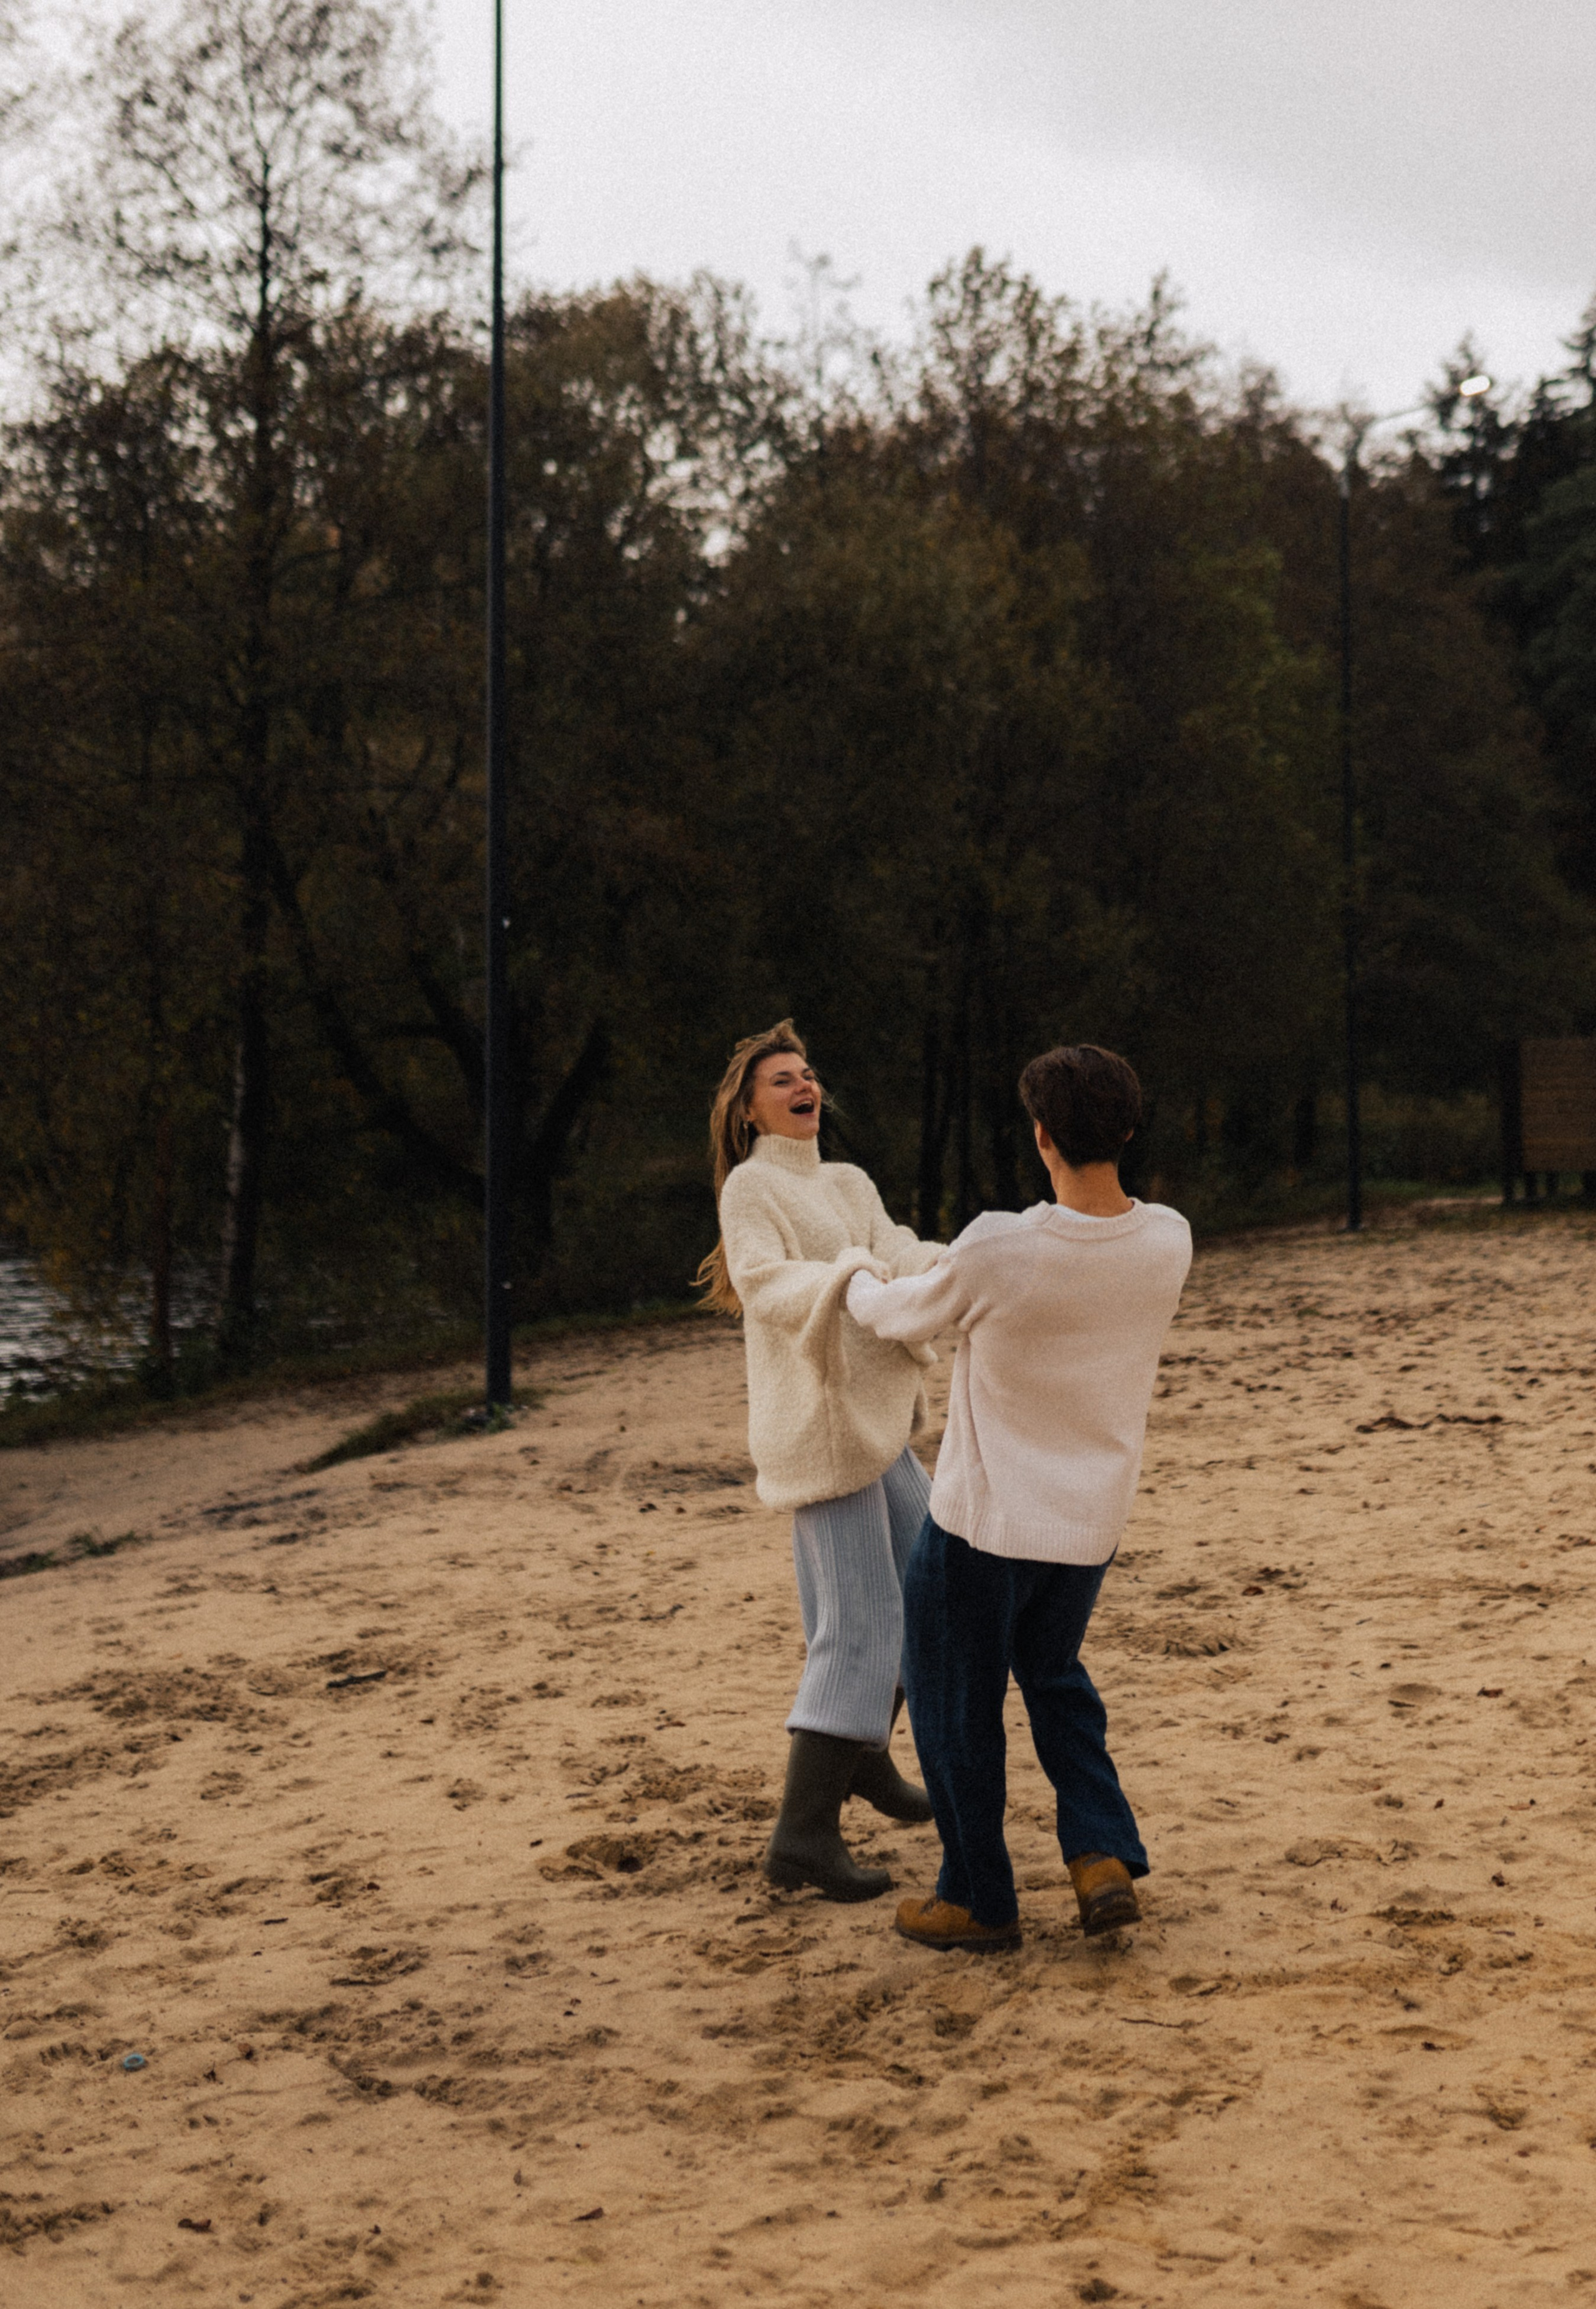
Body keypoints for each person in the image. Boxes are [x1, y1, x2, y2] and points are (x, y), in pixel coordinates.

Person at [845, 1043, 1191, 1952]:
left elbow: (903, 1314)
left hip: (985, 1524)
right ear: (1125, 1128)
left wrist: (851, 1278)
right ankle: (1101, 1855)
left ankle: (978, 1896)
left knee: (955, 1702)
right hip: (1088, 1524)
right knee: (1055, 1678)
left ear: (1042, 1136)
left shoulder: (1001, 1243)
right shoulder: (1168, 1239)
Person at [698, 1021, 945, 1901]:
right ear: (750, 1106)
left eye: (809, 1074)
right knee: (859, 1627)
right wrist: (849, 1280)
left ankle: (862, 1759)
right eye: (781, 1079)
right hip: (822, 1433)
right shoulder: (752, 1190)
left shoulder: (849, 1181)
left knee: (935, 1592)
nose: (804, 1085)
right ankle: (801, 1838)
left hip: (879, 1425)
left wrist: (954, 1270)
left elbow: (897, 1247)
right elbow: (766, 1283)